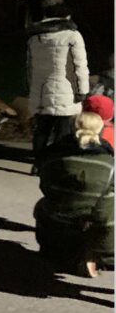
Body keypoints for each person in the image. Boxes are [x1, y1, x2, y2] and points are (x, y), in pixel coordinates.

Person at [34, 111, 114, 277]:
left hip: (57, 214)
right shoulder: (108, 163)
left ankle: (51, 249)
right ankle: (92, 253)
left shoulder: (55, 155)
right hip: (93, 220)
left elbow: (45, 186)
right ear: (100, 130)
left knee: (41, 206)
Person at [27, 0, 90, 169]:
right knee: (62, 132)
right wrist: (83, 90)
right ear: (66, 17)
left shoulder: (35, 38)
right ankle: (56, 166)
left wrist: (31, 88)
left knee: (42, 130)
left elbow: (30, 67)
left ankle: (38, 164)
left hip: (40, 90)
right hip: (66, 90)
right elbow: (80, 66)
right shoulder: (72, 36)